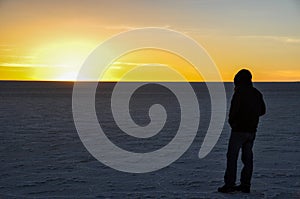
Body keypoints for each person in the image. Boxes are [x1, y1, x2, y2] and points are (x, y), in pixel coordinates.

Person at [218, 69, 266, 193]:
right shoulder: (256, 93)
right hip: (251, 131)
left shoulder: (239, 93)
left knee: (232, 157)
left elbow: (234, 110)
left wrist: (233, 122)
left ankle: (230, 184)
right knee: (247, 158)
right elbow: (262, 111)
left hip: (239, 130)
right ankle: (245, 184)